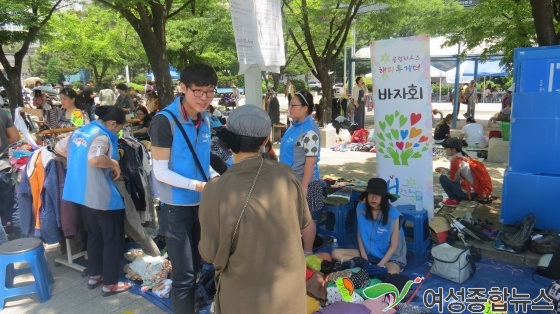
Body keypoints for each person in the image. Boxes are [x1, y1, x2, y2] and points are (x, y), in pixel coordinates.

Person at [199, 105, 316, 314]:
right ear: (265, 141)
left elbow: (209, 254)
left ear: (228, 141)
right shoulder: (286, 175)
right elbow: (303, 222)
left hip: (245, 299)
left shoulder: (215, 189)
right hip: (289, 295)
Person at [148, 63, 220, 314]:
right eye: (197, 91)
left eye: (210, 91)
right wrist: (199, 185)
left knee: (200, 266)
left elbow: (202, 162)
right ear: (183, 88)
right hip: (176, 208)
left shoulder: (206, 118)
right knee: (184, 276)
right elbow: (160, 172)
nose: (204, 98)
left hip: (201, 204)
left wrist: (217, 178)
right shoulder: (163, 121)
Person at [54, 106, 132, 296]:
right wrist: (113, 163)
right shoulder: (102, 136)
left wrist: (77, 160)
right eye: (119, 128)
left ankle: (95, 275)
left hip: (82, 194)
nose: (118, 132)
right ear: (112, 124)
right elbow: (96, 159)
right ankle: (110, 284)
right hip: (101, 195)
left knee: (95, 236)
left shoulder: (80, 131)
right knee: (112, 240)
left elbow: (58, 148)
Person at [332, 178, 407, 274]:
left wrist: (380, 265)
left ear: (383, 197)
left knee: (391, 272)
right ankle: (365, 267)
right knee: (336, 254)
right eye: (371, 193)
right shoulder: (360, 208)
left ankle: (365, 269)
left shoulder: (393, 215)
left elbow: (393, 246)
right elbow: (360, 235)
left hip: (389, 258)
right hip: (367, 254)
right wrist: (364, 260)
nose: (373, 198)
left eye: (378, 194)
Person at [279, 91, 323, 215]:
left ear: (305, 108)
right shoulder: (293, 126)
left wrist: (304, 187)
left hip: (304, 184)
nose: (289, 108)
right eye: (290, 104)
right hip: (289, 182)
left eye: (293, 105)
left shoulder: (310, 131)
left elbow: (311, 162)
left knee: (304, 225)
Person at [0, 109, 22, 245]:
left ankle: (4, 262)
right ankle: (23, 246)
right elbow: (14, 137)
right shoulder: (1, 112)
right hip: (3, 167)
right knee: (14, 209)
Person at [436, 137, 476, 207]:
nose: (445, 150)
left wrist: (443, 171)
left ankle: (453, 200)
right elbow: (457, 174)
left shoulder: (456, 160)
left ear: (453, 149)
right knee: (445, 176)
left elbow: (454, 179)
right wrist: (445, 170)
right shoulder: (463, 156)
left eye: (447, 148)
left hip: (468, 193)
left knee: (442, 178)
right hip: (474, 191)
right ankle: (456, 197)